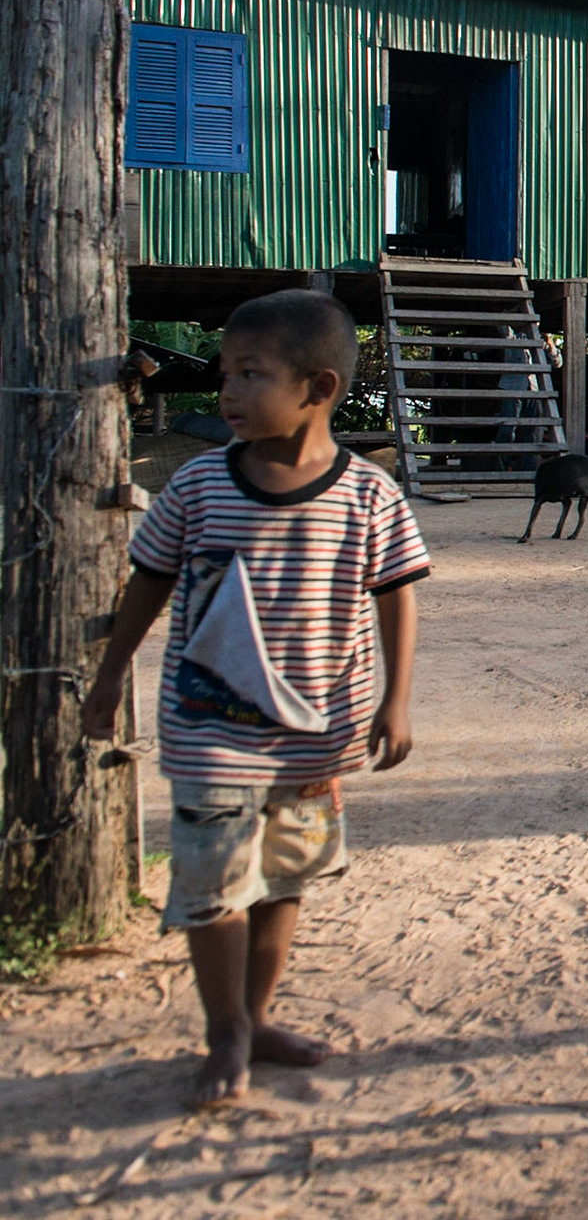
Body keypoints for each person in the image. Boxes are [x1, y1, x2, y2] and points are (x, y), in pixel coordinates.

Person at [80, 289, 431, 1109]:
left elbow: (398, 595)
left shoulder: (370, 497)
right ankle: (226, 1029)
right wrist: (108, 676)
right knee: (211, 888)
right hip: (209, 732)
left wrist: (396, 699)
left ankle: (259, 1015)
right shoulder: (200, 485)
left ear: (319, 389)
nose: (227, 392)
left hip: (315, 737)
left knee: (283, 881)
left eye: (250, 373)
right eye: (225, 372)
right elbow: (150, 582)